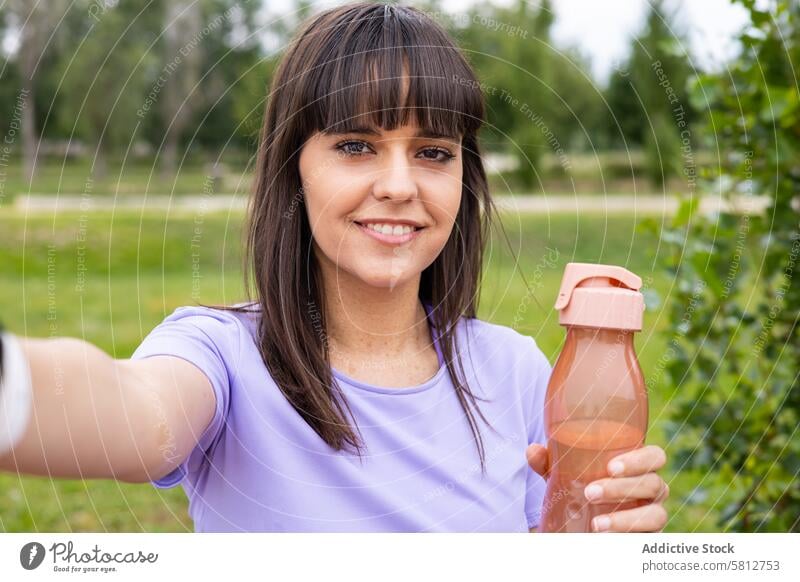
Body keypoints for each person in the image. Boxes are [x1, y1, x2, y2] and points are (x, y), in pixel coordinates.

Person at [0, 1, 668, 533]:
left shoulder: (517, 373)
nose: (400, 185)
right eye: (356, 145)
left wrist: (598, 537)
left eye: (434, 152)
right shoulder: (221, 356)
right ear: (295, 168)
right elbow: (135, 417)